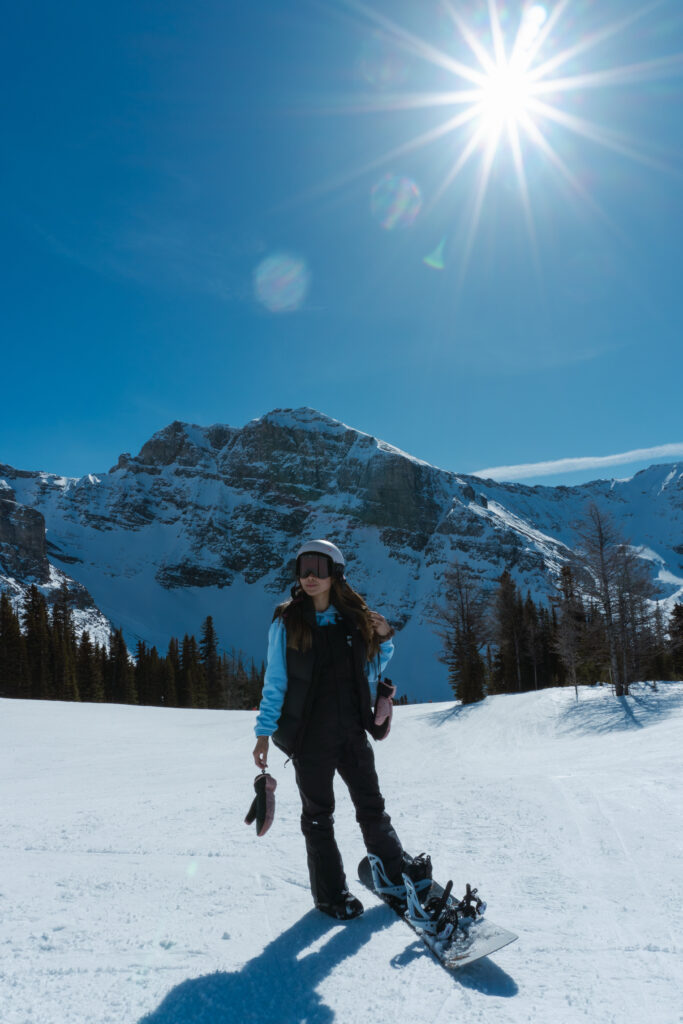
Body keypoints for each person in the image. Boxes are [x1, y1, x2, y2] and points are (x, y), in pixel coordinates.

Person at [252, 539, 430, 920]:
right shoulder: (286, 621)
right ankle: (330, 895)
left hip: (351, 731)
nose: (310, 576)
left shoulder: (352, 620)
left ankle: (394, 872)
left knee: (372, 806)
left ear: (336, 572)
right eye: (303, 568)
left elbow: (366, 672)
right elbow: (275, 683)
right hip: (310, 739)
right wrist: (263, 734)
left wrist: (383, 640)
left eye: (318, 566)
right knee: (319, 815)